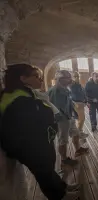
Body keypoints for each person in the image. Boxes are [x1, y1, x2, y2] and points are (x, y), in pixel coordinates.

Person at [0, 64, 80, 200]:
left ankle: (62, 187)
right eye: (36, 76)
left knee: (48, 169)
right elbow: (31, 121)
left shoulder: (24, 93)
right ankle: (59, 196)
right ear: (23, 78)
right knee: (43, 172)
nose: (41, 80)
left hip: (35, 142)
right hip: (28, 145)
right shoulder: (16, 98)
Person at [48, 70, 89, 168]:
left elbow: (68, 101)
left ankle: (78, 149)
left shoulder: (65, 89)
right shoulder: (56, 90)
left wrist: (73, 109)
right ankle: (64, 159)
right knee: (63, 139)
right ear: (60, 79)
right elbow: (56, 107)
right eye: (67, 77)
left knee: (75, 133)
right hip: (62, 119)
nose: (70, 79)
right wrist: (65, 117)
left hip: (69, 117)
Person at [69, 71, 88, 138]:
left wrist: (85, 101)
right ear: (72, 77)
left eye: (78, 76)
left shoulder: (79, 85)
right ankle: (79, 132)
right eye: (75, 76)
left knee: (80, 119)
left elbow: (84, 94)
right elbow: (69, 94)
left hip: (81, 104)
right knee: (81, 118)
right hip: (76, 104)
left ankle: (79, 132)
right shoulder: (71, 85)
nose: (77, 77)